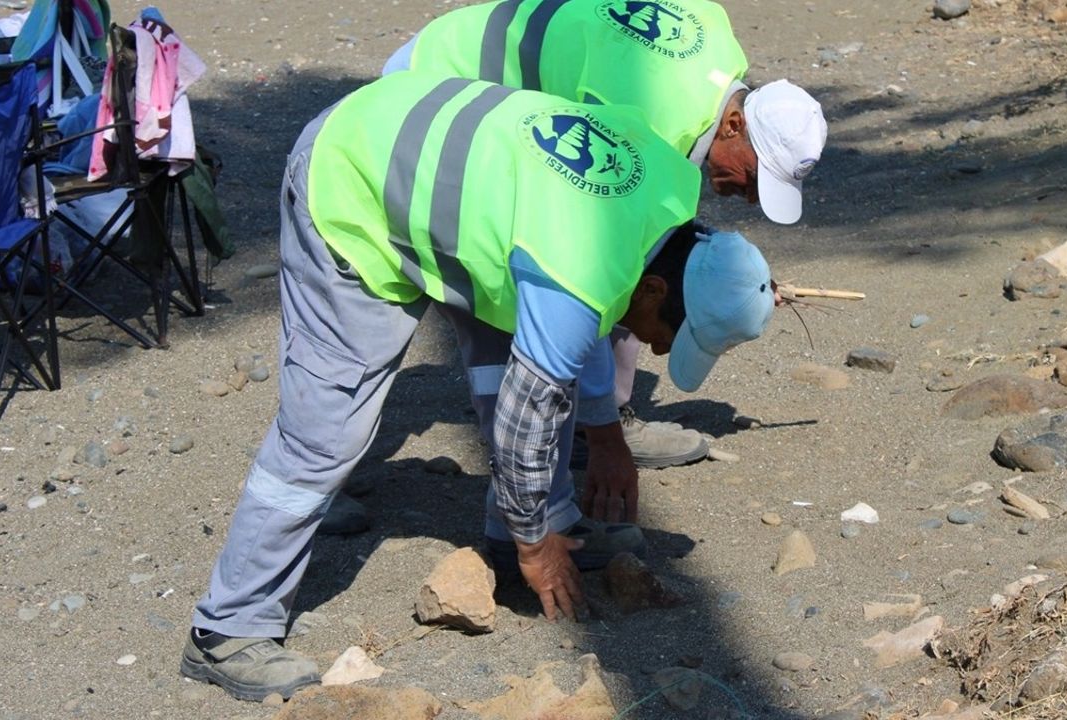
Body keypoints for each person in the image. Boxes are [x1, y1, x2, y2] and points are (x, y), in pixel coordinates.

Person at [180, 70, 775, 702]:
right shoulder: (577, 267)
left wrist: (602, 446)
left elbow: (565, 360)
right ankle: (227, 628)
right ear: (654, 288)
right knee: (326, 429)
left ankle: (524, 530)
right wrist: (534, 545)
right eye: (668, 335)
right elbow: (527, 419)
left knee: (519, 370)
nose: (656, 350)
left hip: (457, 177)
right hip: (354, 175)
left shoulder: (673, 197)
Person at [381, 0, 826, 472]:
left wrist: (736, 278)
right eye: (757, 178)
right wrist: (606, 436)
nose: (753, 199)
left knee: (634, 261)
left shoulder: (717, 54)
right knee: (515, 281)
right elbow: (593, 267)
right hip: (435, 89)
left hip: (465, 61)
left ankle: (588, 420)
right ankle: (579, 430)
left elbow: (655, 253)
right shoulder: (650, 124)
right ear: (734, 124)